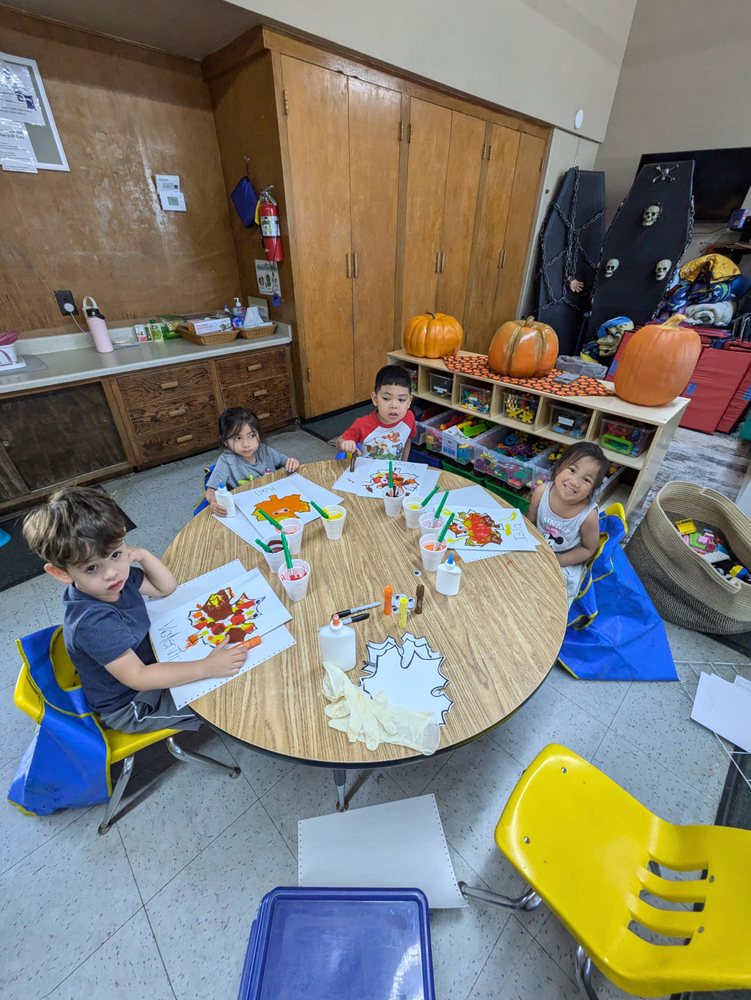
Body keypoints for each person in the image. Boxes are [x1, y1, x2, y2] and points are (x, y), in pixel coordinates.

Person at [22, 486, 248, 733]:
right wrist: (205, 667)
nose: (111, 573)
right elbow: (137, 676)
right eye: (91, 568)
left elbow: (166, 588)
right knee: (221, 703)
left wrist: (141, 554)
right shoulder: (93, 622)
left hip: (152, 658)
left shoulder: (116, 577)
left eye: (116, 554)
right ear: (61, 573)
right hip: (131, 704)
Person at [526, 442, 608, 605]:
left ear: (592, 489)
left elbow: (589, 549)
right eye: (571, 470)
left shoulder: (588, 516)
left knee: (554, 597)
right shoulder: (541, 491)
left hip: (567, 558)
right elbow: (530, 522)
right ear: (558, 468)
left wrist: (559, 560)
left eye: (586, 479)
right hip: (539, 548)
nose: (574, 482)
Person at [206, 407, 300, 516]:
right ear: (225, 441)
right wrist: (214, 501)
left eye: (251, 436)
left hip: (275, 502)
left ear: (258, 434)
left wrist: (292, 462)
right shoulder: (226, 460)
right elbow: (211, 490)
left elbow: (286, 462)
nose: (246, 444)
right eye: (238, 438)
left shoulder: (264, 450)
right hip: (249, 510)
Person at [337, 364, 416, 460]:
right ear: (375, 399)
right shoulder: (362, 424)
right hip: (367, 473)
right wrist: (344, 444)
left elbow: (407, 439)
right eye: (386, 398)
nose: (394, 406)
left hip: (394, 473)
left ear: (409, 402)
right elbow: (340, 442)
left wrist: (404, 463)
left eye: (402, 399)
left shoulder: (409, 418)